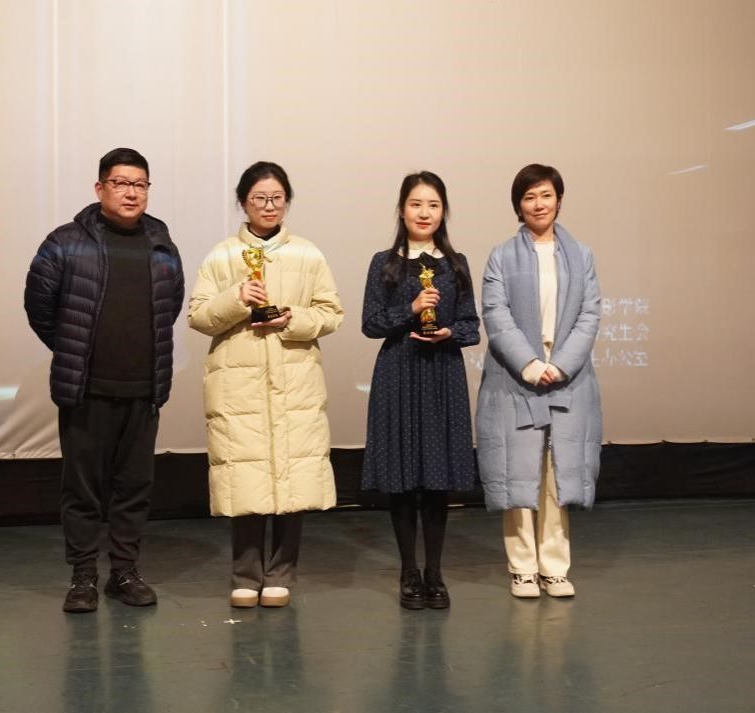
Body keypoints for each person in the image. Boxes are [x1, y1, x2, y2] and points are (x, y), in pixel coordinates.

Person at [24, 147, 184, 613]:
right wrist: (73, 348)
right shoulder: (65, 242)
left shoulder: (162, 244)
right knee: (83, 490)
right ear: (100, 188)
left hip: (143, 389)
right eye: (121, 183)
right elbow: (39, 308)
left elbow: (170, 307)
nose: (131, 193)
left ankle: (124, 573)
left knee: (134, 489)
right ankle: (83, 578)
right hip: (86, 390)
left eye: (140, 184)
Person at [187, 161, 344, 608]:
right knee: (246, 478)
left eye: (277, 198)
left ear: (287, 201)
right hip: (240, 384)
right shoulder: (222, 255)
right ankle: (245, 574)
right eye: (259, 198)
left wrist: (293, 318)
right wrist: (236, 299)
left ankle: (281, 573)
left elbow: (331, 313)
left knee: (293, 480)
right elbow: (198, 315)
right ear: (243, 202)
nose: (269, 206)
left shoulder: (308, 254)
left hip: (294, 379)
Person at [475, 163, 603, 599]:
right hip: (516, 378)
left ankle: (554, 566)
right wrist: (530, 364)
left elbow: (589, 314)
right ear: (518, 205)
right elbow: (496, 314)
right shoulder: (501, 256)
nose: (538, 204)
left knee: (556, 474)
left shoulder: (581, 255)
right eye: (529, 197)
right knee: (518, 473)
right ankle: (522, 568)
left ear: (559, 200)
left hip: (567, 378)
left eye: (545, 195)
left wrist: (560, 365)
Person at [360, 171, 480, 609]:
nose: (424, 213)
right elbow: (371, 323)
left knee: (436, 481)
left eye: (433, 205)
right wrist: (410, 309)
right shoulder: (385, 262)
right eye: (416, 204)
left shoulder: (456, 263)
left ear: (443, 211)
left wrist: (449, 332)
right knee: (402, 479)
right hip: (398, 372)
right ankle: (409, 571)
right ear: (401, 210)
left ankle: (436, 574)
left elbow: (471, 326)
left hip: (442, 373)